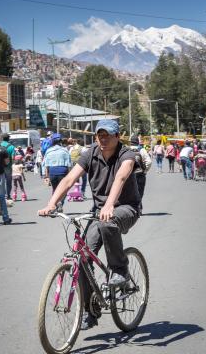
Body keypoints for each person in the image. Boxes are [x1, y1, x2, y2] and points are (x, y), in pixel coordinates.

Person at [38, 119, 141, 330]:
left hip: (126, 208)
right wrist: (51, 204)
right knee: (82, 257)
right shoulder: (91, 153)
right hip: (100, 211)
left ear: (117, 136)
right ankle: (90, 311)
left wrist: (109, 204)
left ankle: (120, 270)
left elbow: (121, 178)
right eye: (99, 135)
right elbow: (68, 180)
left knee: (107, 223)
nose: (102, 139)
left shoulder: (126, 155)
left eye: (107, 135)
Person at [42, 133, 71, 212]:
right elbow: (69, 164)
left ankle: (54, 205)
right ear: (60, 141)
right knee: (64, 190)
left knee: (55, 189)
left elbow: (45, 165)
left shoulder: (48, 151)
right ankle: (60, 202)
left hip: (52, 172)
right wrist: (69, 175)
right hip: (63, 171)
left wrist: (46, 176)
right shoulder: (65, 150)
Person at [129, 135, 152, 214]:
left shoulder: (126, 150)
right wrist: (145, 170)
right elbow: (149, 162)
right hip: (140, 174)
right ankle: (138, 208)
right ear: (137, 142)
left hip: (128, 175)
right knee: (139, 191)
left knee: (129, 192)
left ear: (130, 142)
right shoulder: (142, 150)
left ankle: (132, 209)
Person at [0, 133, 15, 200]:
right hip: (8, 167)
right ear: (8, 138)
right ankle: (8, 195)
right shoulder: (11, 147)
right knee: (8, 182)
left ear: (2, 138)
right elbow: (13, 157)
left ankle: (2, 195)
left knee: (1, 182)